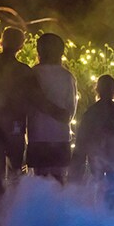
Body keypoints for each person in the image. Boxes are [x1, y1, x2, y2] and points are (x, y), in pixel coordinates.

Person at [0, 27, 65, 226]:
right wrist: (59, 113)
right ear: (21, 46)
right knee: (15, 172)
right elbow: (37, 99)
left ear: (1, 42)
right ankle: (15, 218)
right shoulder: (24, 71)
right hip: (14, 128)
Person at [71, 75, 114, 210]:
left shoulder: (91, 112)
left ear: (97, 90)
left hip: (98, 160)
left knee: (99, 189)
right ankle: (112, 212)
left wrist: (78, 164)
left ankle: (101, 213)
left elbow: (81, 139)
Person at [26, 33, 77, 183]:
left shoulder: (32, 74)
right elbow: (71, 110)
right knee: (59, 181)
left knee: (38, 182)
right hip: (60, 136)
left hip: (37, 136)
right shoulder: (67, 76)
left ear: (39, 51)